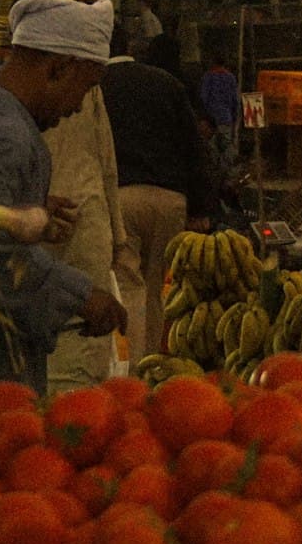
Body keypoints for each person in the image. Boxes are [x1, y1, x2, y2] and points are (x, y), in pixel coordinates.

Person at [0, 0, 127, 404]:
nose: (77, 107)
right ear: (57, 68)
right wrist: (81, 295)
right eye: (85, 88)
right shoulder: (7, 131)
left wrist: (26, 207)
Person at [101, 22, 218, 365]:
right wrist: (200, 205)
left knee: (129, 287)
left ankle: (133, 369)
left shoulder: (94, 88)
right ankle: (155, 363)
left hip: (122, 198)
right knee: (158, 289)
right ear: (131, 47)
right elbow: (194, 147)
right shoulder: (165, 83)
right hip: (170, 200)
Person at [44, 72, 130, 393]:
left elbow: (106, 163)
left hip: (85, 237)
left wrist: (117, 235)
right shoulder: (3, 112)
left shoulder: (88, 92)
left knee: (77, 374)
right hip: (64, 240)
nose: (74, 104)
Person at [199, 54, 240, 139]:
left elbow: (204, 98)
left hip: (211, 120)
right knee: (225, 145)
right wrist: (234, 118)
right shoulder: (231, 78)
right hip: (225, 118)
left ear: (213, 63)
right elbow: (235, 101)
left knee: (212, 146)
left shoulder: (208, 77)